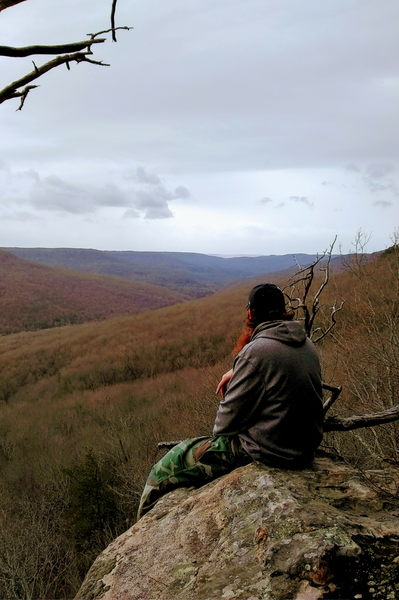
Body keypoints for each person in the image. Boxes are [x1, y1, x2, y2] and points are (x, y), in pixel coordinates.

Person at [137, 283, 324, 519]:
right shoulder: (307, 344)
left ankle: (144, 524)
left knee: (167, 466)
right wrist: (238, 370)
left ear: (250, 313)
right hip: (305, 451)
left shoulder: (256, 353)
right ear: (283, 310)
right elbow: (278, 370)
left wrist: (241, 373)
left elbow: (223, 427)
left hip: (271, 453)